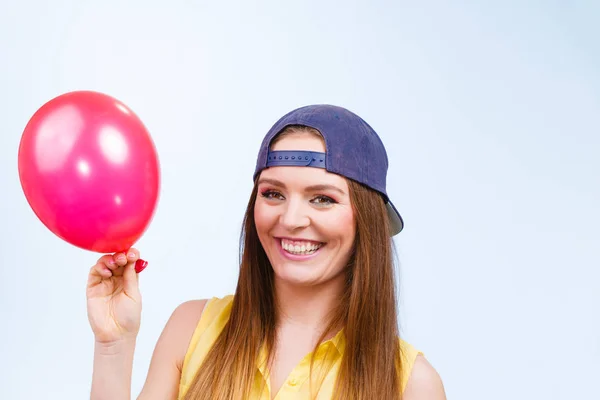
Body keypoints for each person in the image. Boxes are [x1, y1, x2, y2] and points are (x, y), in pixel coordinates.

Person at [87, 105, 446, 399]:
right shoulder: (191, 328)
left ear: (365, 220)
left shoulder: (412, 385)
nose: (290, 219)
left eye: (322, 199)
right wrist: (114, 344)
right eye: (273, 193)